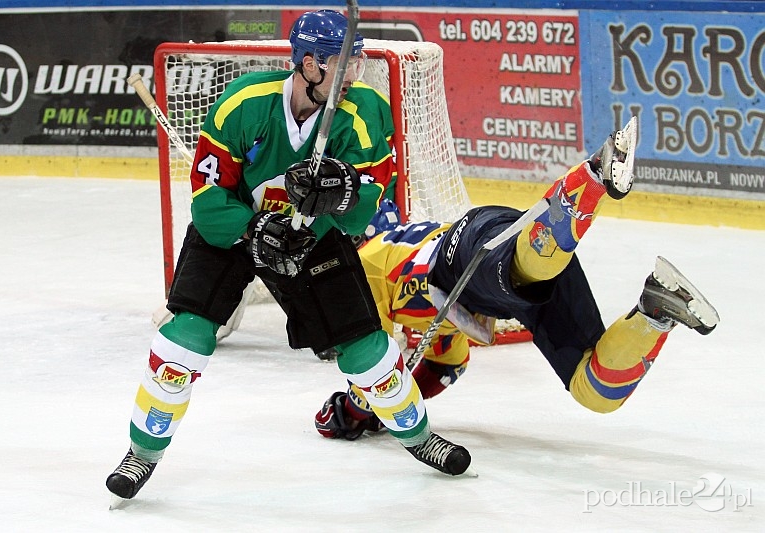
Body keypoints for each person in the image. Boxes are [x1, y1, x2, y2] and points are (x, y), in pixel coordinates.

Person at [106, 9, 471, 502]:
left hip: (312, 239)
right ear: (308, 63)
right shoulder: (243, 105)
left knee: (367, 351)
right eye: (341, 64)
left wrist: (341, 191)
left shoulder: (363, 112)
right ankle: (142, 453)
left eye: (356, 62)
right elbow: (208, 202)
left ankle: (420, 437)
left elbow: (362, 210)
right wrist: (254, 228)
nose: (353, 74)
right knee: (183, 341)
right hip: (235, 231)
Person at [314, 117, 720, 440]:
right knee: (595, 392)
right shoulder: (398, 288)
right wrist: (401, 404)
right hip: (513, 286)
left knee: (519, 274)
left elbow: (378, 366)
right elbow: (446, 364)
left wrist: (357, 409)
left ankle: (594, 175)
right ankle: (655, 310)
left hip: (464, 251)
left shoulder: (365, 265)